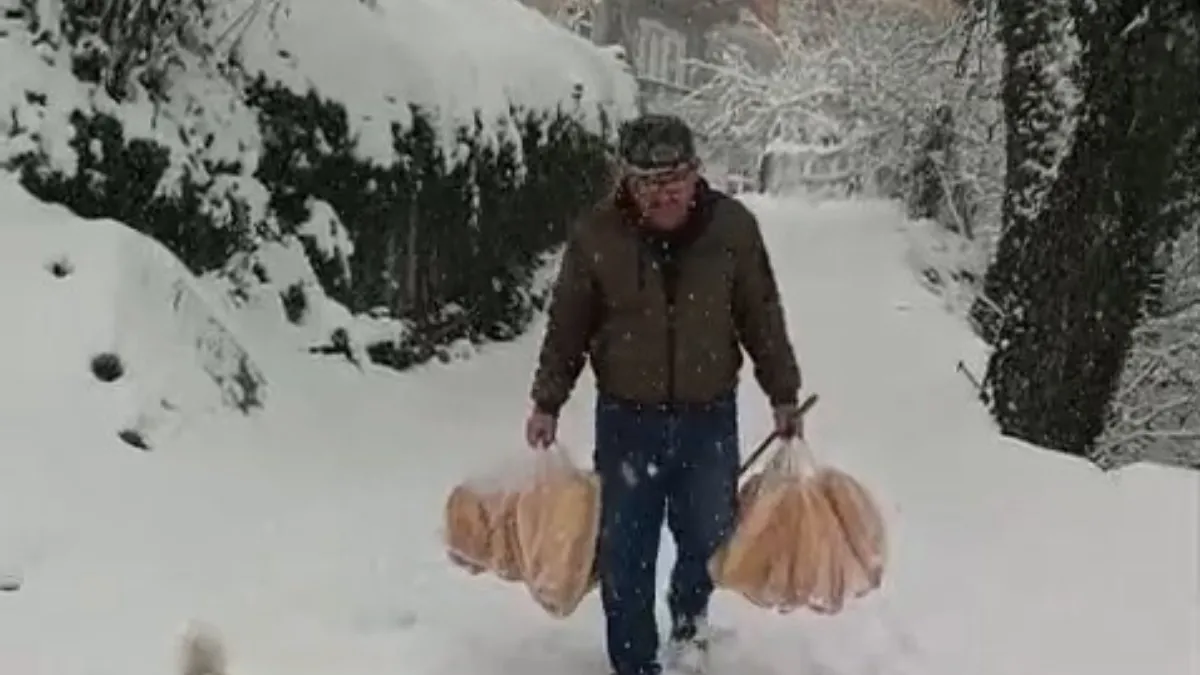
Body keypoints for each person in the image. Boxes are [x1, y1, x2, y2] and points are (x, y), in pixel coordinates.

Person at [525, 114, 803, 675]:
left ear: (697, 172)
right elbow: (568, 324)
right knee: (626, 550)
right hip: (627, 418)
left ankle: (688, 621)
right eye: (647, 181)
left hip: (709, 416)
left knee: (707, 532)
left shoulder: (733, 229)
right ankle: (633, 661)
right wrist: (547, 400)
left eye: (674, 177)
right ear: (625, 181)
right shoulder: (598, 235)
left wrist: (783, 392)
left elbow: (761, 315)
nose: (663, 193)